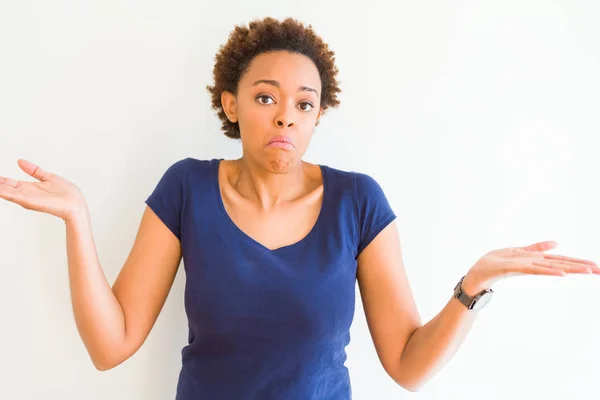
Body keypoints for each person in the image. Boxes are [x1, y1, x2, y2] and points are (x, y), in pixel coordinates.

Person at [0, 16, 598, 400]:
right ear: (232, 106)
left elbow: (408, 367)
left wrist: (474, 283)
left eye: (304, 104)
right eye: (266, 97)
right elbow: (112, 347)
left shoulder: (358, 202)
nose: (286, 115)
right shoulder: (185, 189)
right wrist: (77, 218)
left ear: (316, 116)